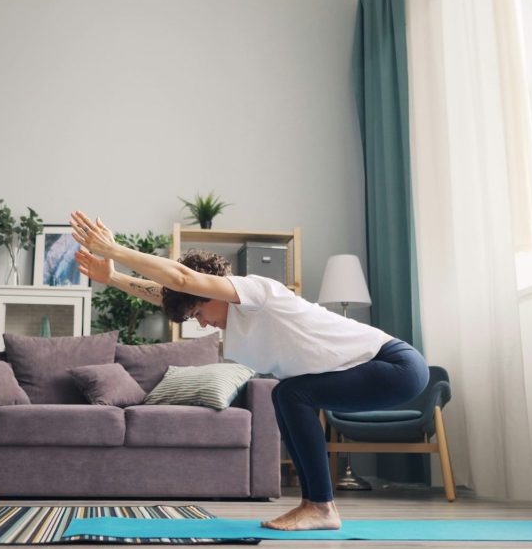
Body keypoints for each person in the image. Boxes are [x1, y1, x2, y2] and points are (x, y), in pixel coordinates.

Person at [69, 211, 429, 531]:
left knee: (292, 394)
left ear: (211, 292)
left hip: (395, 365)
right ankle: (315, 505)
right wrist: (114, 277)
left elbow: (180, 278)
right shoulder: (238, 318)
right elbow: (167, 290)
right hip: (380, 369)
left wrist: (115, 250)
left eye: (198, 314)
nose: (204, 323)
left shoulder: (257, 292)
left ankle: (320, 506)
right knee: (286, 394)